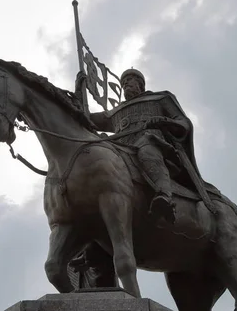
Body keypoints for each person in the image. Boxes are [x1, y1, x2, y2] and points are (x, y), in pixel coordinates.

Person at [76, 68, 210, 223]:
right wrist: (79, 91)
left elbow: (184, 123)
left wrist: (164, 121)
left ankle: (164, 196)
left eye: (129, 81)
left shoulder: (160, 98)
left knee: (147, 148)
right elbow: (85, 118)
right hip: (121, 148)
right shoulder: (115, 113)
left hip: (155, 144)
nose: (125, 84)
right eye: (123, 83)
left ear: (140, 83)